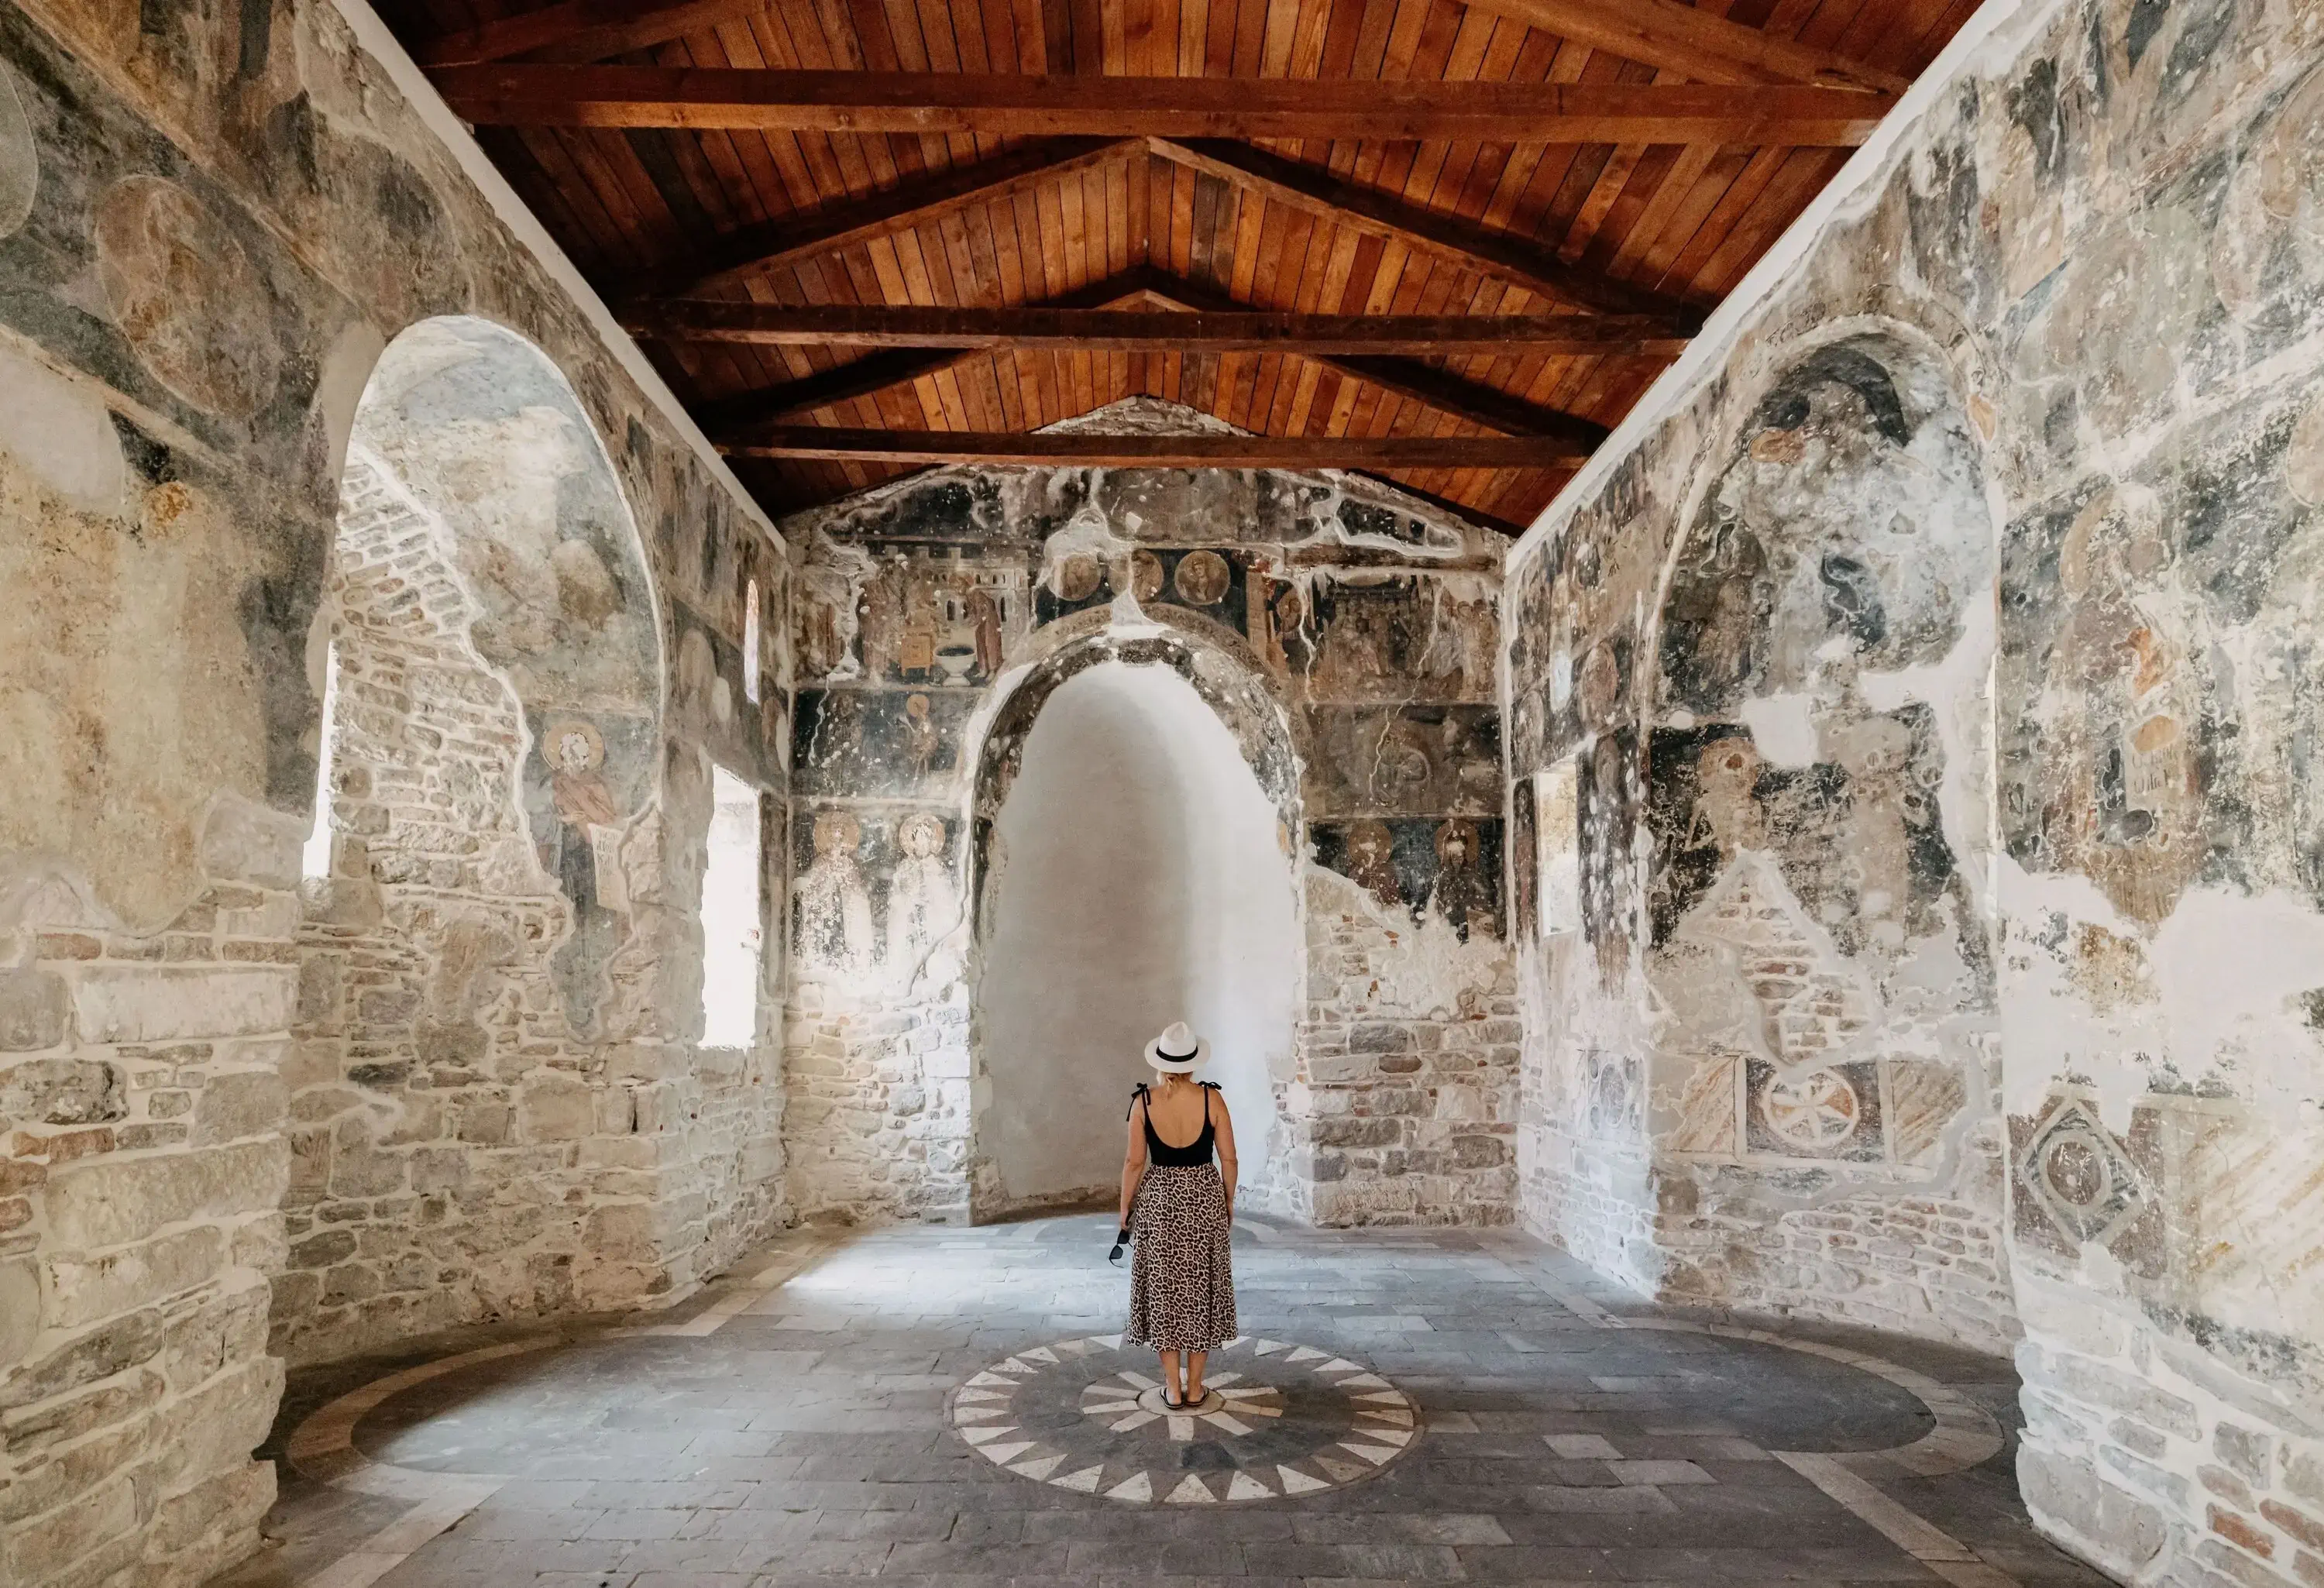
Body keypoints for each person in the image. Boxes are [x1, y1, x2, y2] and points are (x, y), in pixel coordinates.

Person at [1117, 1022, 1239, 1410]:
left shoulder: (1143, 1102)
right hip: (1204, 1197)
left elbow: (1134, 1162)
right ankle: (1196, 1387)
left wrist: (1125, 1207)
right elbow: (1230, 1159)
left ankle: (1172, 1387)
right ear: (1192, 1062)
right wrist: (1227, 1201)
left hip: (1160, 1201)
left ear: (1160, 1062)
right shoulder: (1212, 1099)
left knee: (1163, 1290)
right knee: (1201, 1288)